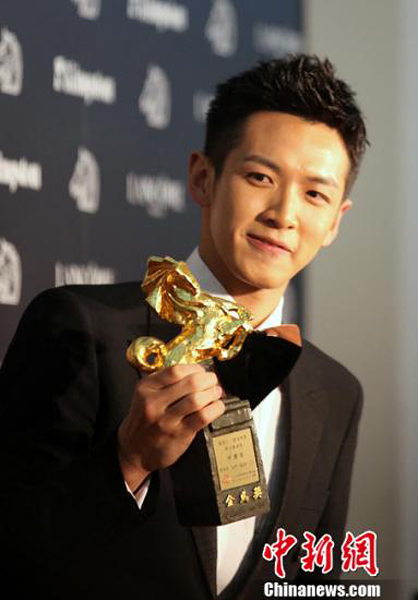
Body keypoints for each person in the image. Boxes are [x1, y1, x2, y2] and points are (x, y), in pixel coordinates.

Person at [0, 54, 368, 599]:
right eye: (260, 177)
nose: (284, 214)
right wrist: (128, 461)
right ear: (202, 177)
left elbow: (316, 584)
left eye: (315, 193)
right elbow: (13, 550)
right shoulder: (79, 328)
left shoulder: (335, 392)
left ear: (336, 220)